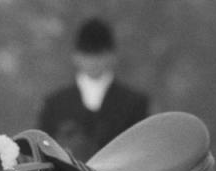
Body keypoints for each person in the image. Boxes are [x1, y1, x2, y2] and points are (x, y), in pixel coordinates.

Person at [38, 17, 150, 162]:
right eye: (87, 54)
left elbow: (141, 153)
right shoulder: (54, 104)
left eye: (99, 54)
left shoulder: (135, 104)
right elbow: (42, 154)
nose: (93, 61)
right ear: (76, 57)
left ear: (111, 56)